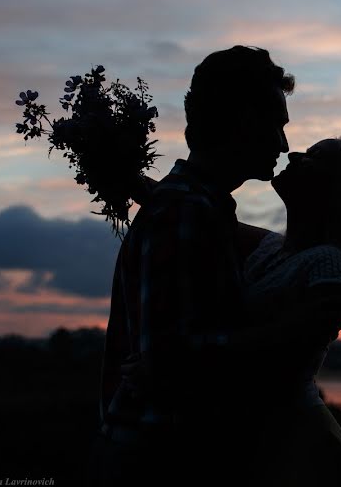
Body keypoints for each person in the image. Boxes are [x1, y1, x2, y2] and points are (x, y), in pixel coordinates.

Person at [87, 45, 294, 486]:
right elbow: (172, 357)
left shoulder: (194, 207)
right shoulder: (186, 212)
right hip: (161, 461)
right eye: (276, 124)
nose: (284, 143)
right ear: (242, 119)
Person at [239, 133, 341, 486]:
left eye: (312, 158)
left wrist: (182, 352)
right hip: (266, 436)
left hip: (296, 447)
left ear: (335, 191)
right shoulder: (274, 249)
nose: (293, 155)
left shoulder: (331, 266)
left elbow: (269, 348)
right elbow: (201, 213)